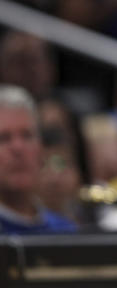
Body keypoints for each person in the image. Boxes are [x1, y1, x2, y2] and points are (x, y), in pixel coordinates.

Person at [0, 85, 76, 234]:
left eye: (27, 135)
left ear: (41, 147)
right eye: (4, 138)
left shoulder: (65, 232)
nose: (18, 148)